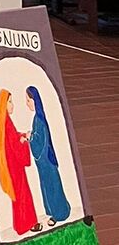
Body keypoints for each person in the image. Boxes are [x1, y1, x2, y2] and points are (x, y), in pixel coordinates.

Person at [0, 91, 41, 237]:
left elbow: (13, 139)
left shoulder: (5, 122)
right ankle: (25, 224)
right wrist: (24, 140)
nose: (12, 105)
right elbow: (14, 144)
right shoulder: (6, 123)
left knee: (20, 194)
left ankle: (24, 223)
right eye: (9, 102)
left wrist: (21, 136)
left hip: (12, 165)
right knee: (21, 194)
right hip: (14, 166)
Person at [26, 86, 71, 226]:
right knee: (47, 186)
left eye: (28, 100)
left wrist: (30, 137)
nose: (27, 104)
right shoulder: (37, 118)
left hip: (46, 160)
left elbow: (41, 141)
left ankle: (60, 213)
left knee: (52, 186)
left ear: (35, 101)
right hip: (43, 162)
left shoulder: (39, 120)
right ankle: (53, 212)